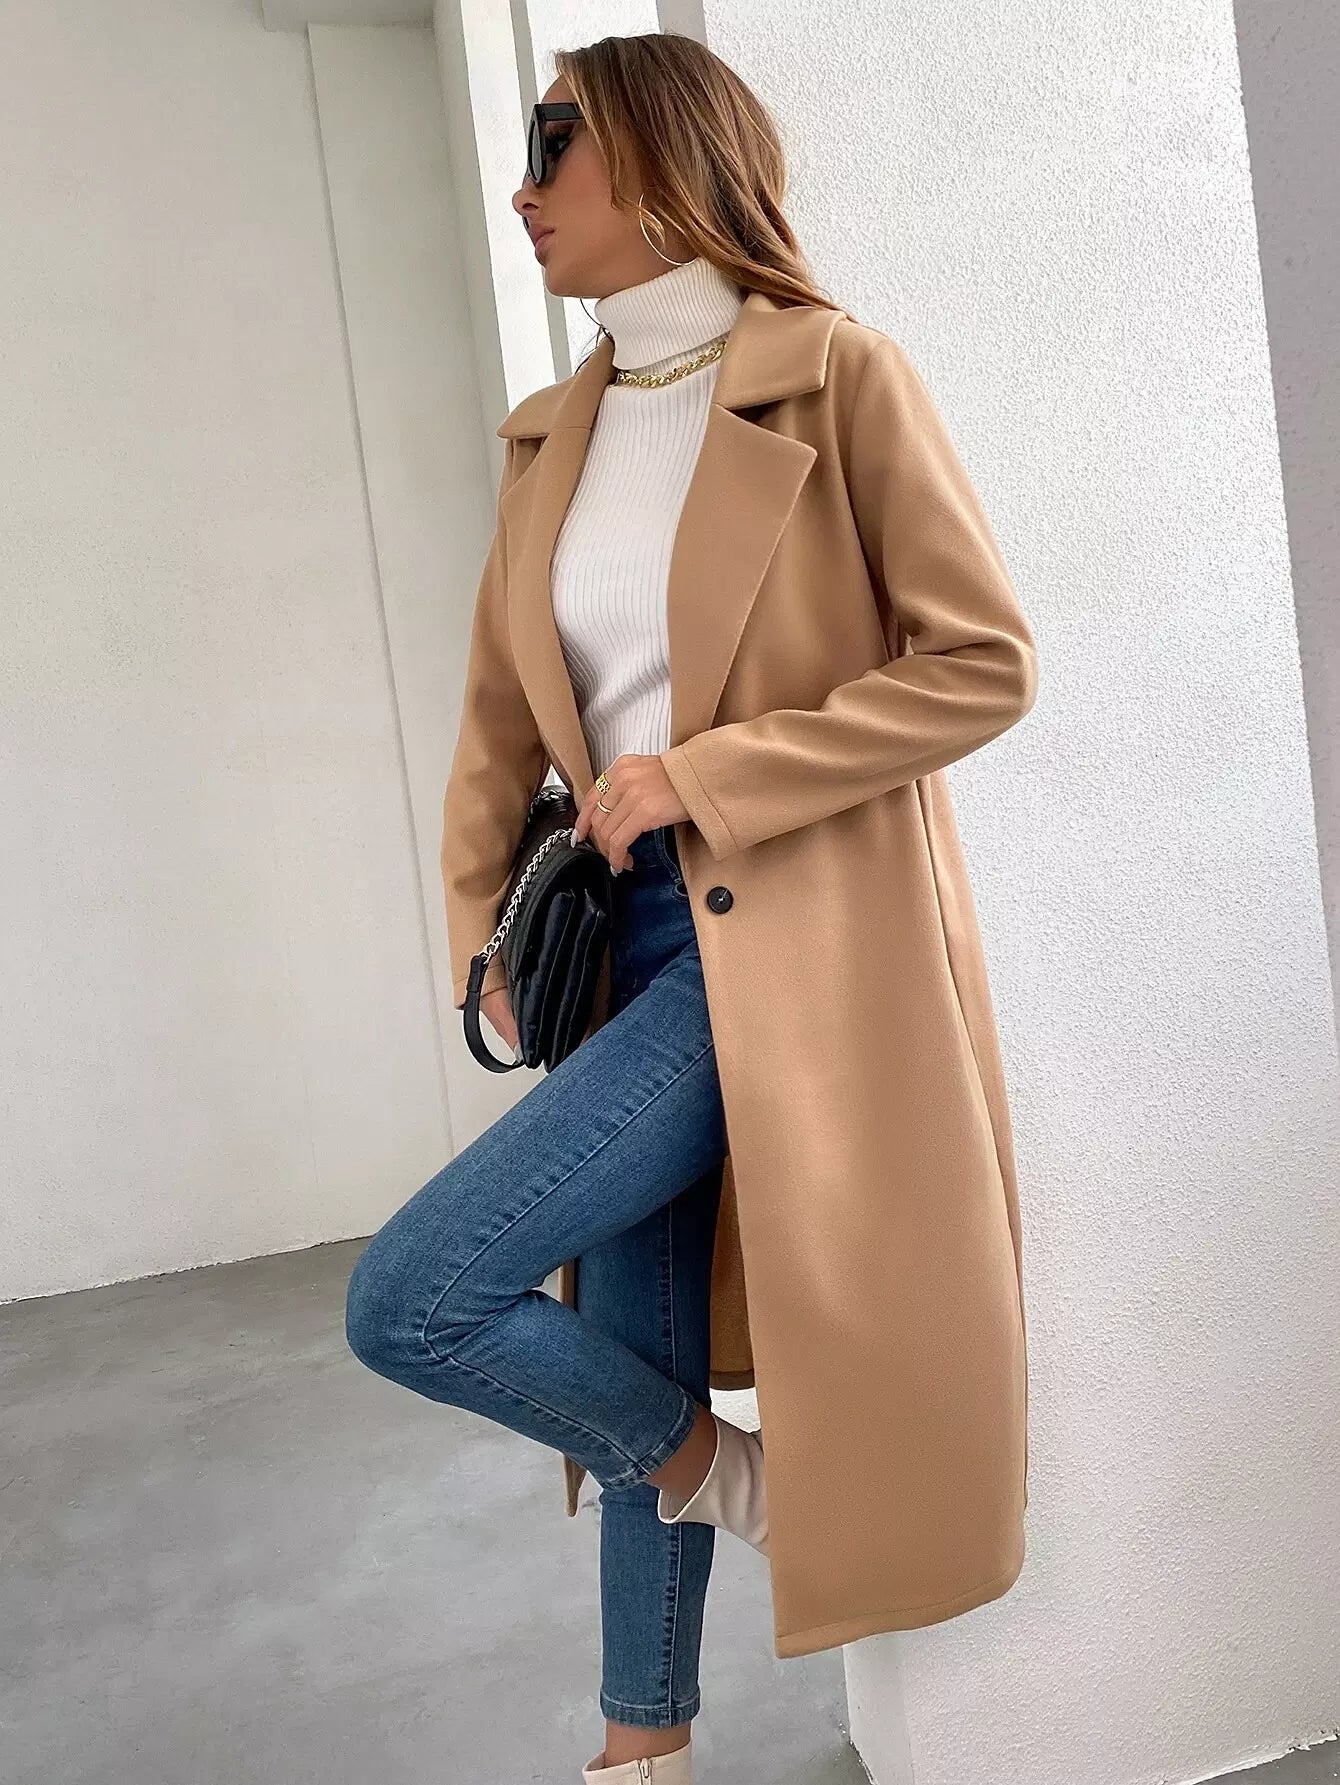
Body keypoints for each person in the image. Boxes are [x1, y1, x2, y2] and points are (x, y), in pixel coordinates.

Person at [345, 29, 1038, 1785]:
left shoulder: (836, 376)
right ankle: (638, 1749)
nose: (525, 186)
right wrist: (483, 944)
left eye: (556, 144)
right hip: (612, 943)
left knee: (416, 1292)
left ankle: (734, 1482)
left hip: (789, 945)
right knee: (628, 1332)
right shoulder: (549, 439)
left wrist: (709, 775)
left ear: (661, 159)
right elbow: (495, 734)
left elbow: (981, 662)